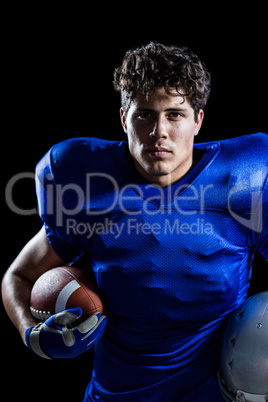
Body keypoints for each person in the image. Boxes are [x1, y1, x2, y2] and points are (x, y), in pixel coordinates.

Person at [2, 42, 268, 401]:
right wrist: (31, 334)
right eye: (145, 114)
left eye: (175, 114)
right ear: (124, 118)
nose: (159, 130)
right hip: (115, 392)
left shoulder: (244, 181)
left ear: (198, 121)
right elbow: (18, 276)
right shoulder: (85, 184)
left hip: (215, 391)